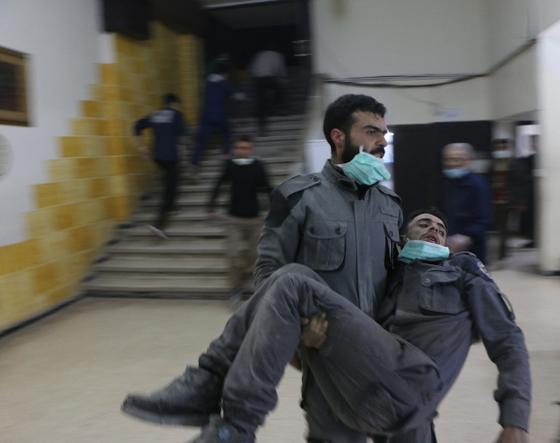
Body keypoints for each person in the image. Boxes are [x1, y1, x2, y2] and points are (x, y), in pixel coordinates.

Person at [122, 94, 403, 443]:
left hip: (379, 351)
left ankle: (212, 385)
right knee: (289, 281)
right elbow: (269, 274)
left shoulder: (391, 207)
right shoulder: (298, 197)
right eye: (371, 131)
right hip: (325, 349)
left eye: (384, 133)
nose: (381, 141)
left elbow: (395, 284)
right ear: (338, 136)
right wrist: (300, 338)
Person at [122, 209, 531, 443]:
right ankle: (218, 398)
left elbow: (508, 342)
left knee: (293, 281)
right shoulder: (381, 279)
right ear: (404, 236)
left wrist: (514, 420)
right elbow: (339, 342)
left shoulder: (463, 271)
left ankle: (231, 418)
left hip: (413, 386)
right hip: (362, 395)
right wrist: (307, 345)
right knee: (290, 286)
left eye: (441, 228)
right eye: (425, 223)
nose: (435, 230)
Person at [207, 135, 272, 292]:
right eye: (239, 148)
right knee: (233, 254)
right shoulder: (229, 165)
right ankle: (234, 289)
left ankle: (250, 277)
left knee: (254, 254)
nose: (242, 151)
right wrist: (211, 205)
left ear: (251, 149)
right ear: (235, 149)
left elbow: (267, 188)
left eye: (246, 148)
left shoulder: (258, 166)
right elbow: (219, 184)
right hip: (233, 218)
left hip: (254, 219)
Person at [134, 93, 186, 239]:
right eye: (178, 104)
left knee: (172, 181)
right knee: (170, 188)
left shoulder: (155, 114)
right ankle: (158, 223)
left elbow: (137, 126)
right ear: (175, 103)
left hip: (157, 157)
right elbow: (182, 133)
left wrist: (142, 147)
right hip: (170, 156)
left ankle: (171, 206)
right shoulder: (176, 114)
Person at [438, 143, 492, 263]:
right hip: (447, 245)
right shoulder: (445, 182)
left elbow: (484, 219)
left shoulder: (478, 185)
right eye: (449, 159)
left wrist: (467, 236)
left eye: (457, 159)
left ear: (468, 160)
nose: (452, 163)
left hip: (472, 247)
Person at [191, 61, 240, 177]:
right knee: (227, 133)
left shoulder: (207, 82)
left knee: (200, 141)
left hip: (205, 115)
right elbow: (236, 95)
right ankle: (226, 157)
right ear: (224, 73)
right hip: (219, 115)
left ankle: (194, 164)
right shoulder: (224, 82)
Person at [249, 45, 287, 135]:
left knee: (260, 103)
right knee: (280, 88)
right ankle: (280, 108)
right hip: (268, 78)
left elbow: (252, 69)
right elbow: (280, 71)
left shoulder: (259, 54)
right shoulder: (277, 55)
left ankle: (262, 127)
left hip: (257, 79)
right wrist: (282, 79)